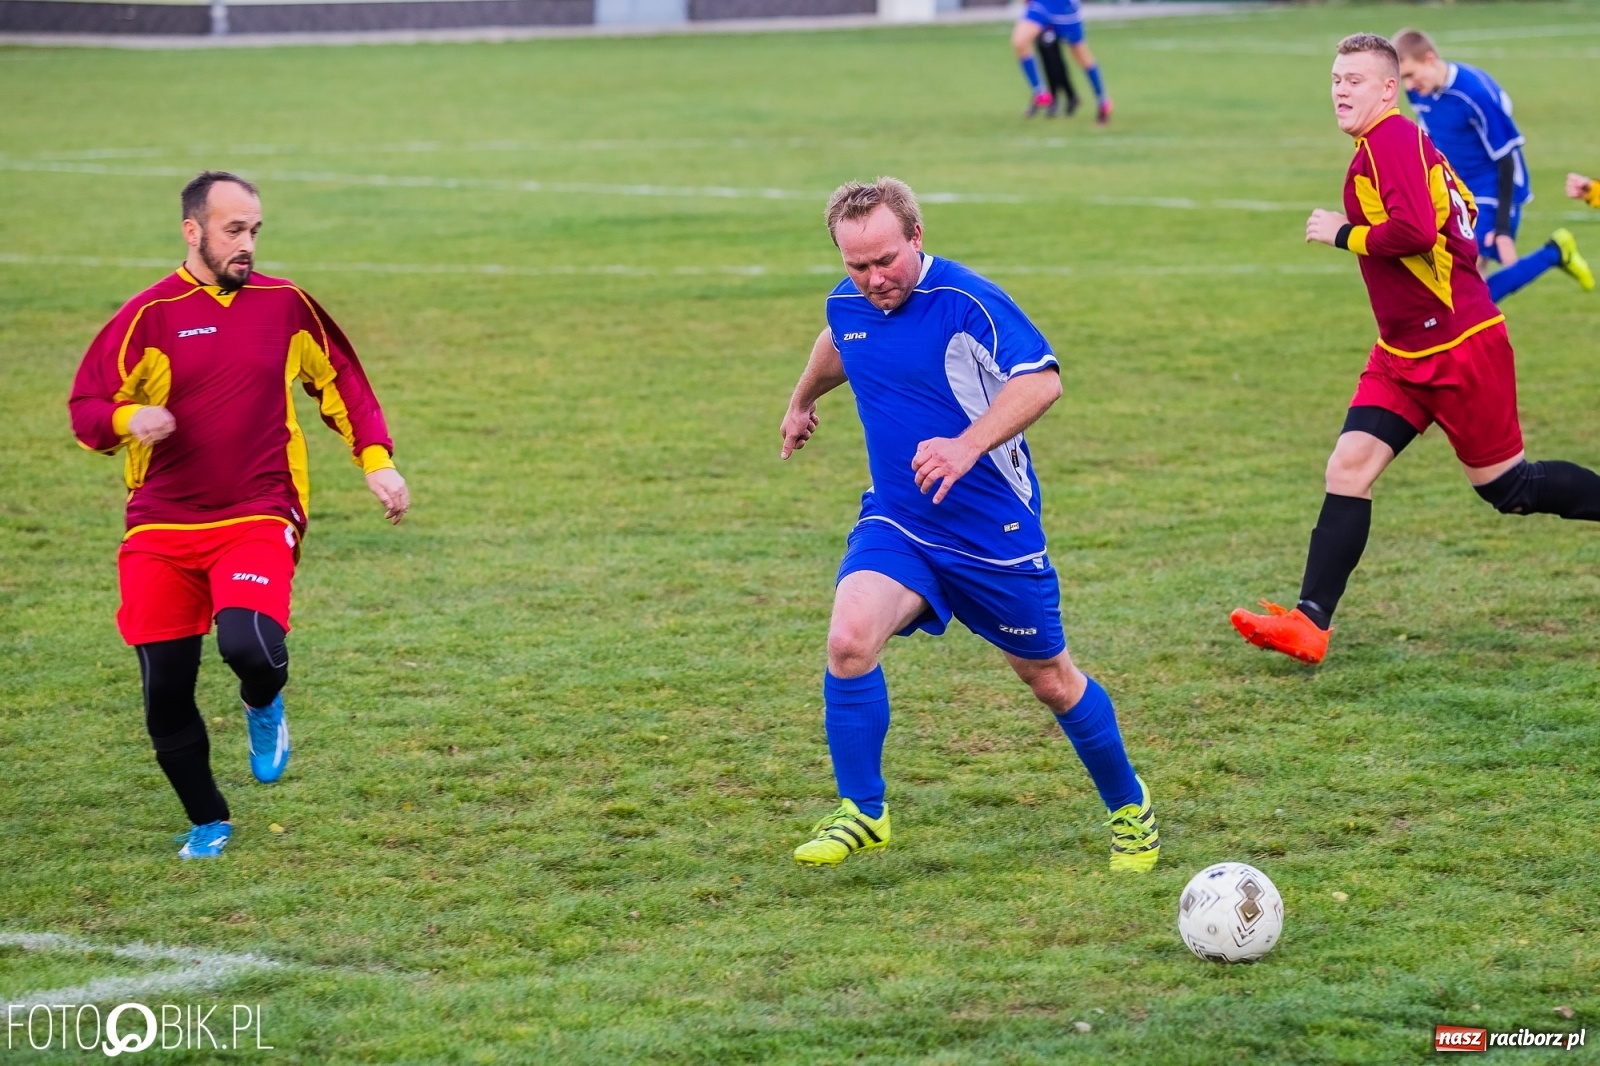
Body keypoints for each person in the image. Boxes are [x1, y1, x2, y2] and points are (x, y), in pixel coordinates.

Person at [779, 177, 1157, 871]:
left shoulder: (966, 301)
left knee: (1050, 680)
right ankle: (863, 810)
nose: (873, 279)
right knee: (848, 639)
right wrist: (802, 399)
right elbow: (840, 337)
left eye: (885, 260)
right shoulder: (848, 302)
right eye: (856, 265)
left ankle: (1130, 806)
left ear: (916, 237)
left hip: (991, 535)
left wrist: (967, 444)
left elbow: (1042, 379)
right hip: (899, 520)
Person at [1228, 35, 1600, 666]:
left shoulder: (1393, 139)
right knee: (1348, 468)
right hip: (1402, 352)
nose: (1341, 89)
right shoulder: (1387, 143)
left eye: (1355, 79)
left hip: (1459, 346)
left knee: (1509, 489)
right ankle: (1310, 623)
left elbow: (1415, 230)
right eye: (1336, 78)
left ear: (1388, 88)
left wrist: (1341, 232)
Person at [68, 171, 408, 859]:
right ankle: (209, 820)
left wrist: (377, 460)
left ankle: (263, 701)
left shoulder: (284, 306)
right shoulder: (148, 316)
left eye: (254, 230)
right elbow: (87, 411)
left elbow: (340, 379)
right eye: (233, 230)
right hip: (160, 524)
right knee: (165, 688)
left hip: (257, 508)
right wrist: (134, 417)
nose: (247, 243)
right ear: (193, 231)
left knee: (249, 647)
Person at [1394, 28, 1592, 301]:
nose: (1408, 86)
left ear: (1429, 59)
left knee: (1464, 288)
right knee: (1469, 291)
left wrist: (1501, 227)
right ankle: (1555, 253)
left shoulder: (1475, 93)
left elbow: (1507, 155)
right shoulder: (1420, 92)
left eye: (1410, 75)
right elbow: (1429, 139)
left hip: (1491, 188)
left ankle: (1555, 252)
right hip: (1455, 190)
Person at [1011, 0, 1110, 124]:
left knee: (1081, 56)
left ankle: (1103, 101)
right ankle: (1040, 93)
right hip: (1042, 5)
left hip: (1064, 8)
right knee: (1020, 42)